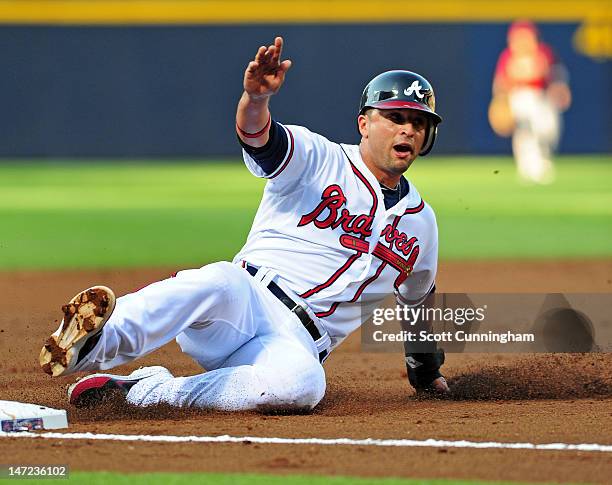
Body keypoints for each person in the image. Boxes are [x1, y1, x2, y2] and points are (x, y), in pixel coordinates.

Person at [40, 37, 449, 412]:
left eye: (418, 122)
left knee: (303, 386)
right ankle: (94, 341)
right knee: (218, 280)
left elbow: (419, 304)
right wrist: (255, 99)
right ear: (364, 123)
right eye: (395, 117)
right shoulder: (318, 156)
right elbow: (260, 137)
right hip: (244, 300)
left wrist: (426, 374)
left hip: (294, 345)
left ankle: (145, 392)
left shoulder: (422, 224)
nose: (408, 129)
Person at [490, 20, 571, 184]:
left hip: (542, 98)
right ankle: (529, 167)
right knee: (526, 133)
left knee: (548, 130)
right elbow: (500, 82)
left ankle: (542, 160)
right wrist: (500, 101)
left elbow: (556, 75)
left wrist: (561, 89)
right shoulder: (508, 56)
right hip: (520, 97)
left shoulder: (544, 52)